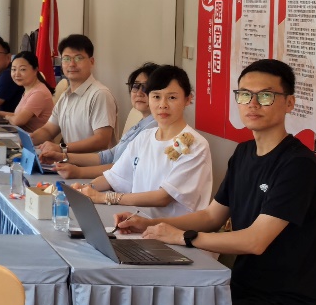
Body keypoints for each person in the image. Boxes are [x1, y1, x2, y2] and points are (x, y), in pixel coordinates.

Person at [117, 59, 316, 305]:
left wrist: (183, 237)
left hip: (286, 304)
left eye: (266, 96)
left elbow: (256, 241)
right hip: (240, 287)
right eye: (244, 95)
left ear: (289, 103)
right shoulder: (244, 153)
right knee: (155, 304)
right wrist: (150, 224)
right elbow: (212, 216)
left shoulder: (298, 165)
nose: (253, 104)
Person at [72, 65, 212, 219]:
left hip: (172, 230)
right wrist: (85, 189)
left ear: (188, 99)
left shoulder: (196, 145)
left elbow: (164, 197)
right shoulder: (144, 137)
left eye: (172, 97)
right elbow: (114, 177)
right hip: (136, 222)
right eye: (156, 97)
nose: (162, 104)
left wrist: (106, 197)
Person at [53, 62, 158, 180]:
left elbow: (124, 169)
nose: (139, 93)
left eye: (146, 87)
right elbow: (109, 155)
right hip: (108, 179)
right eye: (135, 86)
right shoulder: (142, 123)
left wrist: (78, 172)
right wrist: (63, 156)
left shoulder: (154, 128)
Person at [32, 34, 117, 156]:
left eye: (78, 58)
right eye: (66, 59)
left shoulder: (100, 94)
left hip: (94, 166)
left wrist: (61, 148)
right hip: (69, 162)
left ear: (91, 62)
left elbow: (102, 140)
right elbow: (48, 130)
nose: (71, 64)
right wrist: (24, 140)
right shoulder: (65, 95)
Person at [0, 51, 54, 132]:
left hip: (34, 139)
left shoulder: (39, 93)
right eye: (14, 69)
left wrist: (6, 117)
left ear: (35, 70)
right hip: (21, 135)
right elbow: (18, 115)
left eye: (22, 69)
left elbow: (18, 121)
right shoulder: (29, 89)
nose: (17, 74)